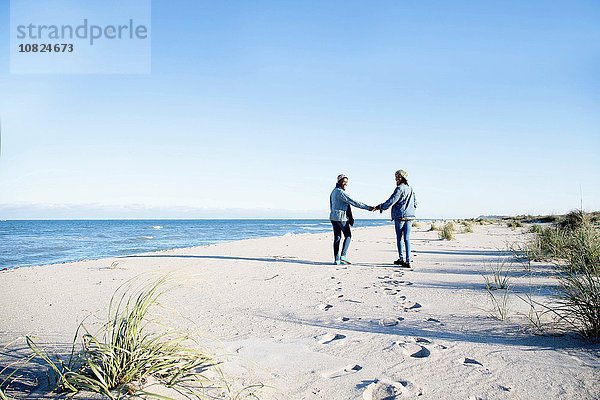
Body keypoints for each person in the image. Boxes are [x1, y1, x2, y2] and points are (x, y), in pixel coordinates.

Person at [375, 169, 417, 268]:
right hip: (410, 216)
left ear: (402, 178)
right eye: (396, 177)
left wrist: (380, 207)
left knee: (399, 238)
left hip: (400, 215)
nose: (396, 179)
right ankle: (408, 260)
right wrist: (411, 209)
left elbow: (391, 201)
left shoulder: (399, 189)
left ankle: (401, 258)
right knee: (407, 238)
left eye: (398, 177)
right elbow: (415, 203)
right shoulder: (410, 189)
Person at [329, 174, 374, 265]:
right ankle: (343, 256)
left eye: (346, 182)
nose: (345, 183)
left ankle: (336, 260)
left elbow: (332, 205)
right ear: (339, 181)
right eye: (343, 181)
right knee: (348, 235)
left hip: (333, 217)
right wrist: (368, 208)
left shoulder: (333, 192)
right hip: (341, 218)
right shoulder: (340, 192)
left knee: (337, 237)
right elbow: (353, 202)